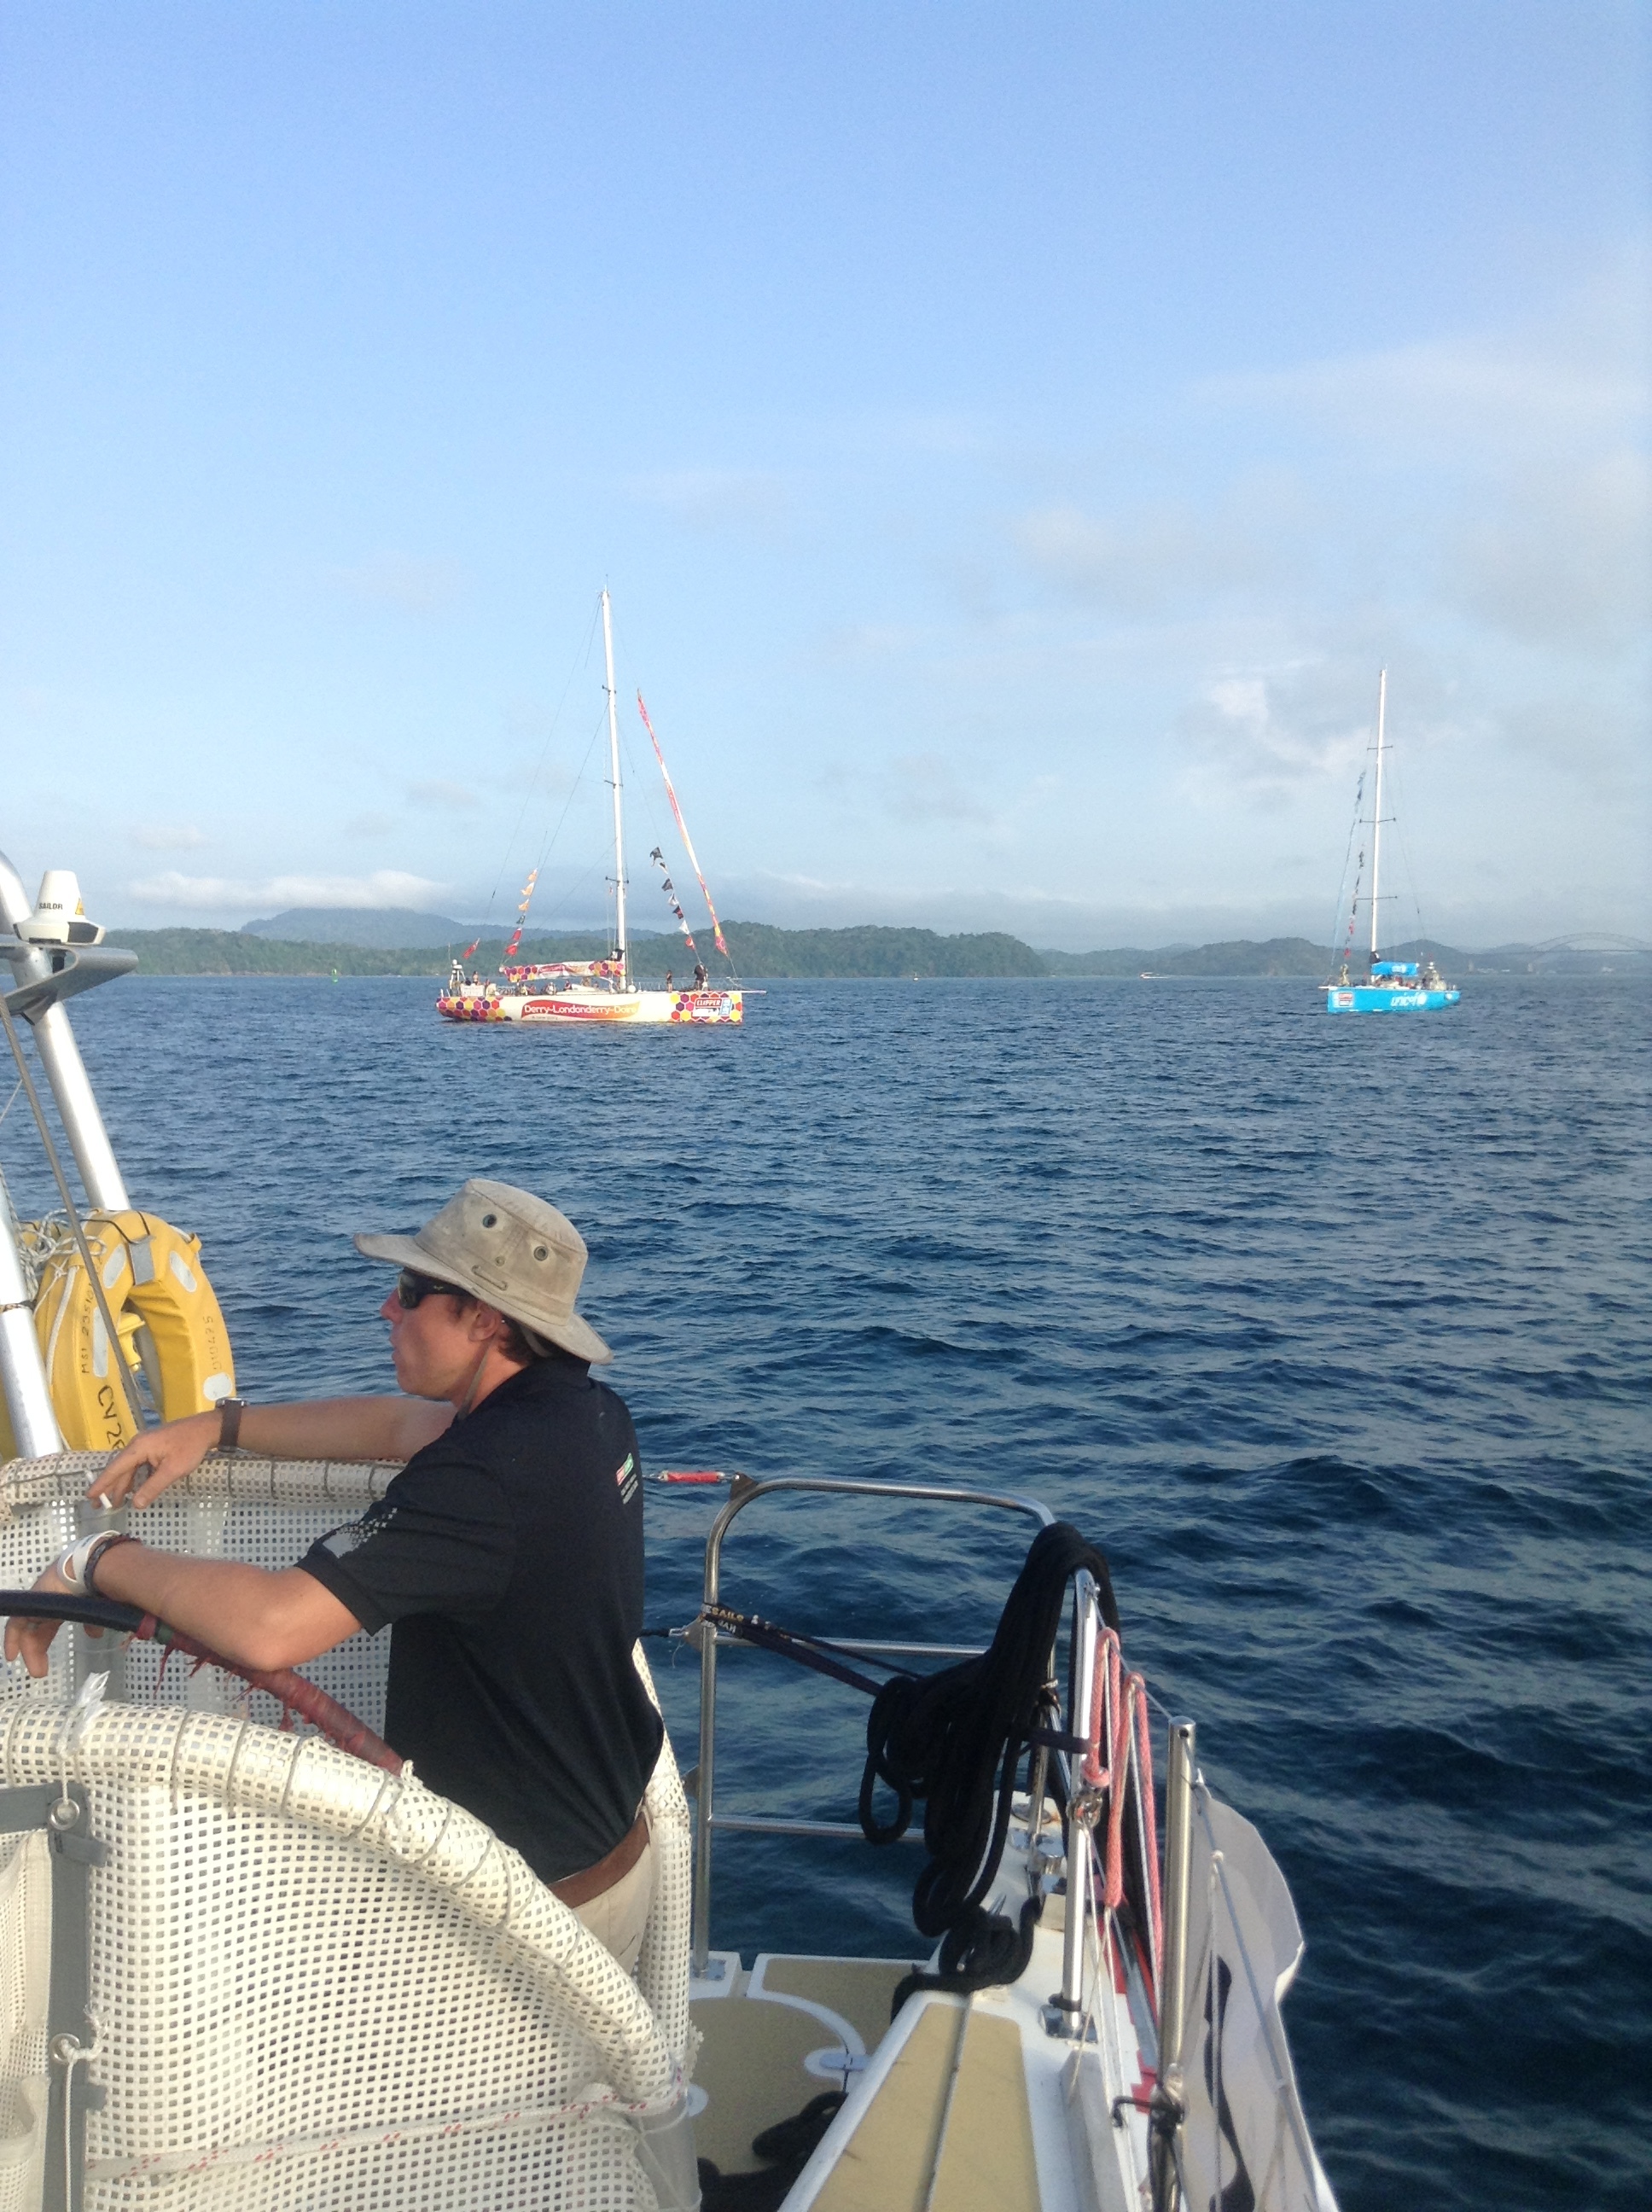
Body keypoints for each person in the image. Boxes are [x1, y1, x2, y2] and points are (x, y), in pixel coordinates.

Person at [3, 1179, 664, 1970]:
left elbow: (272, 1628)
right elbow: (394, 1425)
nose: (388, 1308)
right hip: (613, 1841)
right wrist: (218, 1426)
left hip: (531, 1910)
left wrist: (94, 1563)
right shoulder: (584, 1414)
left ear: (484, 1320)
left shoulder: (484, 1479)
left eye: (413, 1291)